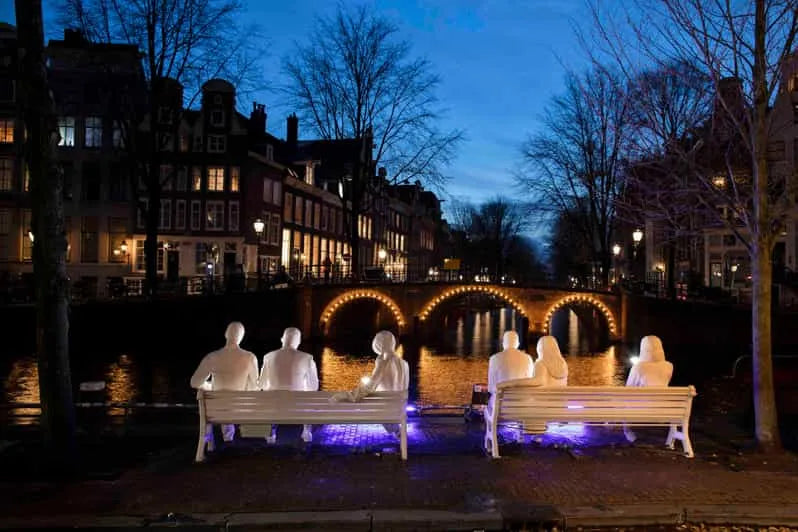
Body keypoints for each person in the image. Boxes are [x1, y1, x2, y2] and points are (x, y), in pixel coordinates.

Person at [190, 321, 259, 444]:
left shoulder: (212, 357)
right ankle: (229, 438)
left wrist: (210, 386)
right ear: (241, 337)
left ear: (226, 334)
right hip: (242, 409)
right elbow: (255, 387)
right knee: (235, 397)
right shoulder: (250, 357)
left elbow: (194, 382)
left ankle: (225, 439)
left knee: (221, 398)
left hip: (216, 410)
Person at [260, 327, 319, 443]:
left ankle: (271, 433)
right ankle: (306, 432)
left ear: (282, 339)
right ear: (298, 341)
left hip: (274, 406)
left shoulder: (268, 357)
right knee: (308, 396)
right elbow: (314, 387)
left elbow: (261, 383)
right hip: (298, 407)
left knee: (270, 395)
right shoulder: (307, 358)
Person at [485, 330, 535, 441]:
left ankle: (492, 439)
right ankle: (520, 436)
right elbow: (530, 384)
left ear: (504, 343)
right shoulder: (528, 359)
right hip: (523, 406)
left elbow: (491, 387)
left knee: (489, 404)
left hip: (501, 408)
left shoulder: (494, 358)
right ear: (517, 343)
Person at [624, 335, 673, 442]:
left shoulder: (638, 367)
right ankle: (670, 438)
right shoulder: (669, 366)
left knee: (624, 400)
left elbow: (628, 390)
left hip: (641, 410)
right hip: (663, 409)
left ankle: (627, 431)